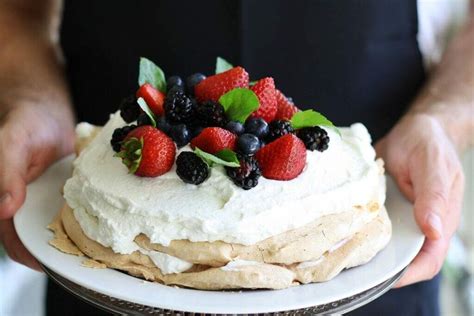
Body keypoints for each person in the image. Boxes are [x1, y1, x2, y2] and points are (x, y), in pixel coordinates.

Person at [0, 0, 472, 315]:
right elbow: (16, 12)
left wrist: (442, 121)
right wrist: (33, 100)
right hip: (108, 266)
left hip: (368, 273)